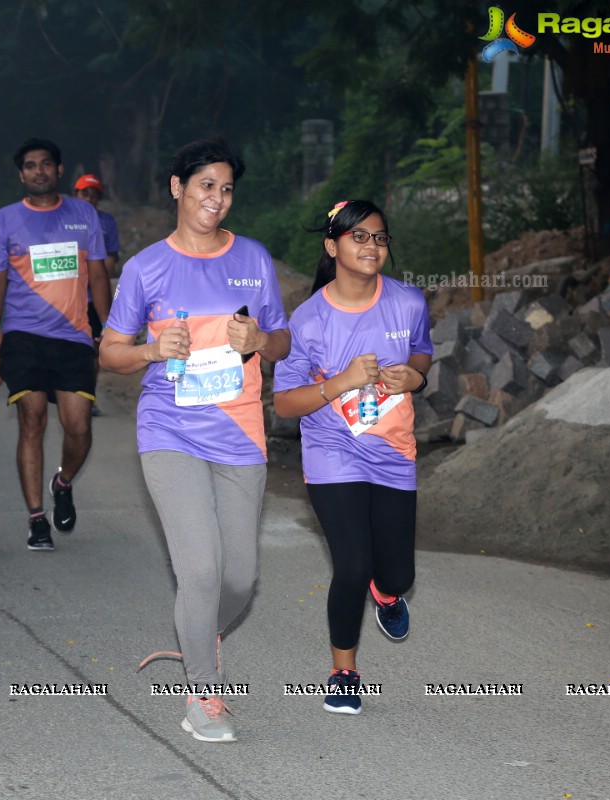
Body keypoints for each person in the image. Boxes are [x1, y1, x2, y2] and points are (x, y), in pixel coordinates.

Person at [99, 137, 290, 743]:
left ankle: (196, 632)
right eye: (206, 184)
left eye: (227, 188)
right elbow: (109, 354)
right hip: (170, 429)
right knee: (202, 570)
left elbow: (284, 340)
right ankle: (203, 696)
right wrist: (154, 349)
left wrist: (258, 341)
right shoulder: (146, 267)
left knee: (240, 578)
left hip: (240, 432)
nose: (217, 198)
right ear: (178, 188)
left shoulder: (254, 259)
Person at [273, 199, 433, 715]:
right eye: (358, 237)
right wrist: (340, 383)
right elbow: (283, 402)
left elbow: (422, 352)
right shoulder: (309, 319)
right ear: (332, 246)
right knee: (351, 564)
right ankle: (344, 672)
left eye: (380, 237)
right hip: (331, 450)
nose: (371, 246)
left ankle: (386, 595)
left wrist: (416, 376)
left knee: (395, 572)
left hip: (391, 451)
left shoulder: (408, 303)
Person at [0, 137, 111, 551]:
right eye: (31, 166)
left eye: (46, 164)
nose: (39, 171)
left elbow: (98, 278)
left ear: (59, 171)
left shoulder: (84, 214)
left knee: (79, 427)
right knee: (31, 418)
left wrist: (111, 331)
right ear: (22, 175)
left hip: (73, 337)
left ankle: (63, 482)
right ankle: (37, 518)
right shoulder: (5, 219)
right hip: (23, 337)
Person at [72, 173, 122, 416]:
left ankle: (88, 397)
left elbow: (110, 258)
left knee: (93, 349)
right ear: (76, 194)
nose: (89, 198)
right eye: (84, 192)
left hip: (95, 298)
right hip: (70, 297)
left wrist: (97, 274)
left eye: (93, 193)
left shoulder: (106, 222)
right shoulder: (64, 219)